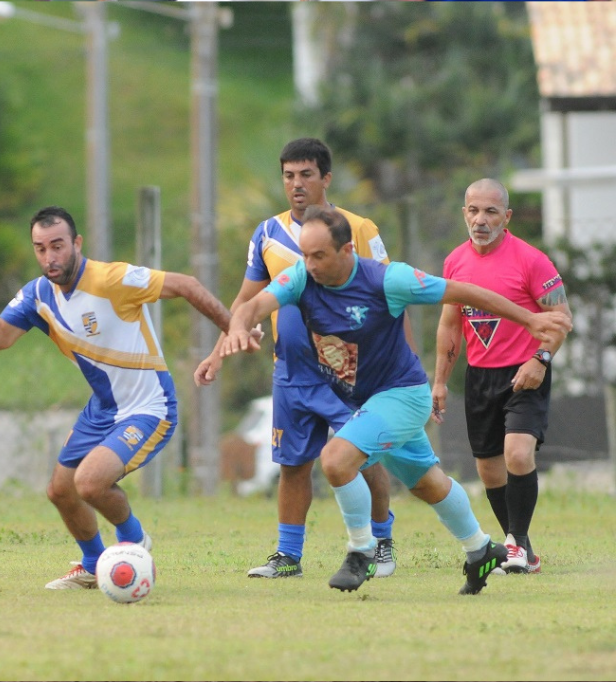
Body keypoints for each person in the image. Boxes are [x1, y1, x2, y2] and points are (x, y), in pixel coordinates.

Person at [221, 206, 571, 595]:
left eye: (319, 255)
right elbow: (254, 304)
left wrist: (529, 319)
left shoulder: (388, 280)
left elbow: (464, 292)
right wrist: (239, 325)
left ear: (347, 250)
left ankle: (361, 551)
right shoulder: (301, 277)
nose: (310, 263)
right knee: (427, 484)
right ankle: (480, 550)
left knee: (336, 460)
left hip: (403, 395)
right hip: (367, 400)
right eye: (305, 254)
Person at [0, 206, 236, 590]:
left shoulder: (111, 279)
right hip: (103, 409)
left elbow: (186, 284)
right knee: (60, 490)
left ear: (76, 243)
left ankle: (135, 544)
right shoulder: (37, 294)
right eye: (40, 249)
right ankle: (92, 564)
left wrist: (234, 329)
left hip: (149, 408)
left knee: (89, 483)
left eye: (58, 246)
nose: (50, 258)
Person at [195, 138, 404, 580]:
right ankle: (288, 556)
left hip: (350, 370)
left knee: (362, 457)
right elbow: (246, 300)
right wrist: (217, 353)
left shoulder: (358, 228)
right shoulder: (267, 234)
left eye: (306, 174)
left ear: (326, 178)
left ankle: (382, 542)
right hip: (291, 372)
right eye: (289, 176)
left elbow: (391, 297)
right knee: (292, 463)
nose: (296, 184)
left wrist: (395, 368)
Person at [432, 179, 570, 575]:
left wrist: (540, 359)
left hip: (525, 373)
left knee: (518, 454)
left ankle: (516, 546)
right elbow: (449, 324)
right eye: (473, 211)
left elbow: (562, 319)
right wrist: (440, 381)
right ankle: (520, 545)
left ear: (506, 217)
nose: (481, 219)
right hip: (480, 377)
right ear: (464, 213)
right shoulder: (455, 262)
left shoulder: (531, 260)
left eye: (491, 211)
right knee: (489, 470)